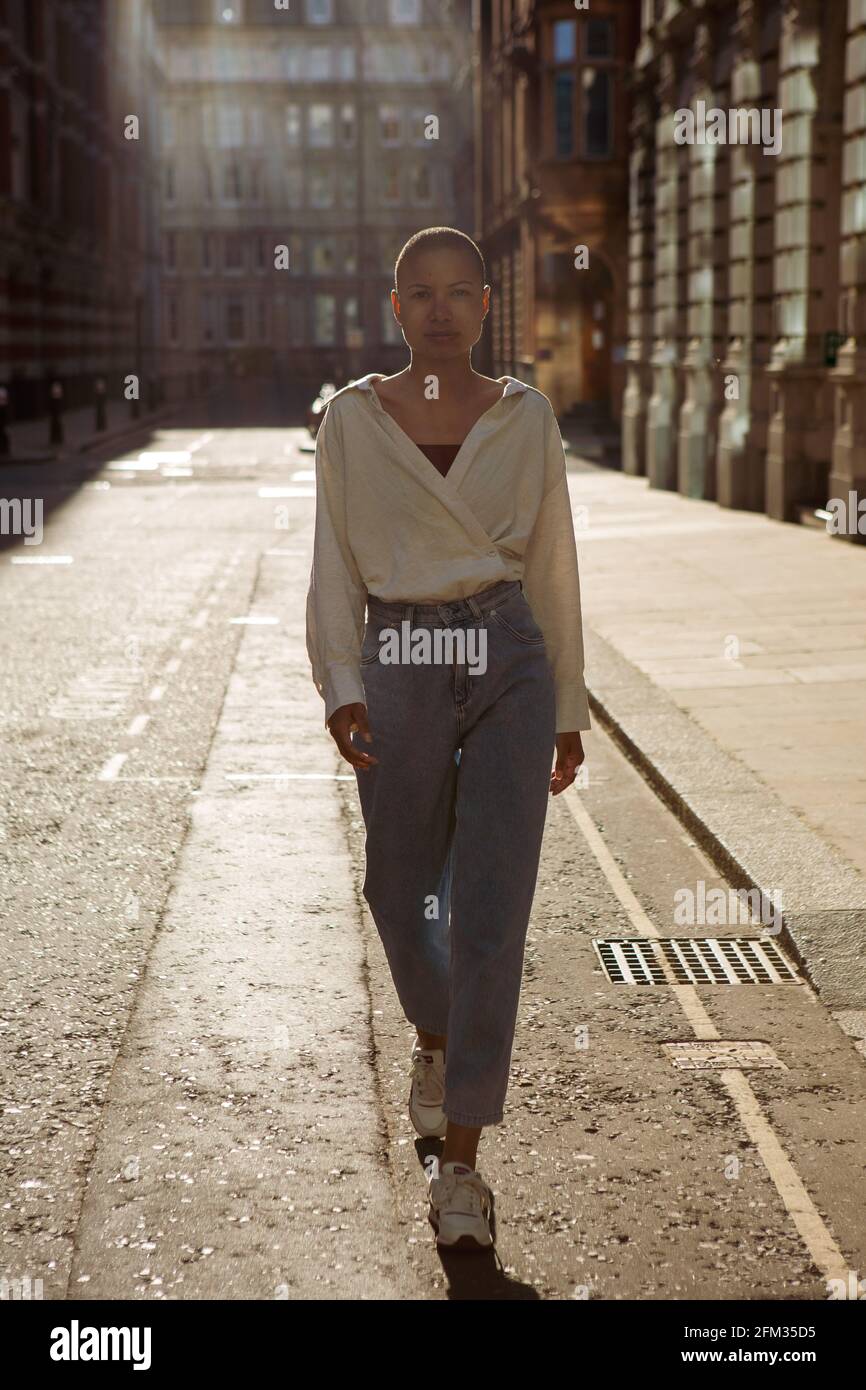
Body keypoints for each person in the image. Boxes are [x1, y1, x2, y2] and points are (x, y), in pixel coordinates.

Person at [305, 226, 591, 1252]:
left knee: (491, 909)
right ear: (394, 308)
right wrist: (341, 685)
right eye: (416, 293)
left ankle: (462, 1161)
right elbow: (334, 559)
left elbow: (551, 560)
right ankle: (433, 1031)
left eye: (456, 293)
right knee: (395, 886)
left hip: (508, 652)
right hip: (402, 657)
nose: (437, 309)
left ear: (482, 307)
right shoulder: (352, 418)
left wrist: (566, 705)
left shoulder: (525, 417)